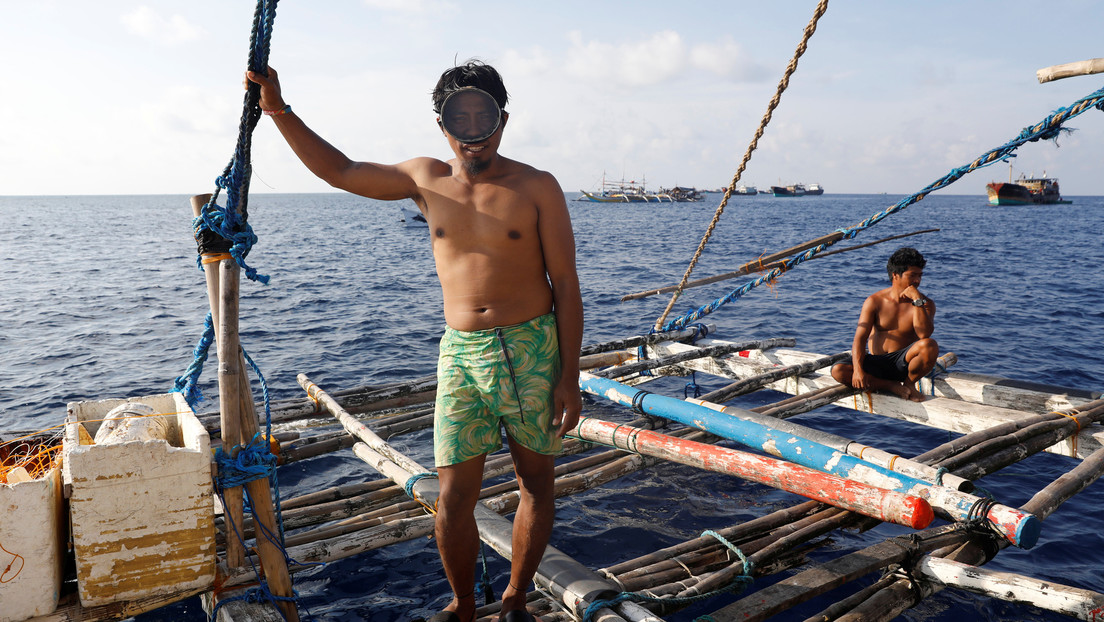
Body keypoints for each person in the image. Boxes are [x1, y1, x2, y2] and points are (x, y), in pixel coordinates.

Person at [247, 60, 583, 622]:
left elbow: (567, 286)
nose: (473, 130)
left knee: (536, 480)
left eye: (486, 117)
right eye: (461, 117)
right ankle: (462, 603)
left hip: (532, 348)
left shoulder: (537, 186)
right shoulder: (424, 179)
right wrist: (278, 109)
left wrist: (568, 376)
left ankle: (516, 598)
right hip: (462, 352)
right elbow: (341, 170)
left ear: (503, 121)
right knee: (453, 493)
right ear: (441, 124)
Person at [831, 247, 938, 402]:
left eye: (920, 275)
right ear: (895, 275)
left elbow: (924, 335)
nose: (917, 281)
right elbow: (860, 339)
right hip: (877, 363)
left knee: (930, 345)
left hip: (904, 364)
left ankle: (909, 384)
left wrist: (917, 300)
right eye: (912, 275)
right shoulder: (875, 301)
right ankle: (890, 385)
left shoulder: (925, 303)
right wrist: (858, 371)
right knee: (838, 370)